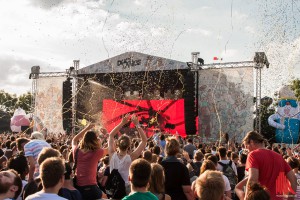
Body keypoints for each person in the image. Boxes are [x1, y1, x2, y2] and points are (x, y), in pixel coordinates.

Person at [242, 131, 297, 200]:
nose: (247, 150)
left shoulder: (253, 155)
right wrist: (290, 199)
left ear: (252, 142)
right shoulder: (279, 157)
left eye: (247, 147)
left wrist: (246, 198)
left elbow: (253, 180)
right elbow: (294, 180)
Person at [108, 114, 147, 195]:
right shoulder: (131, 157)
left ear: (117, 144)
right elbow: (144, 140)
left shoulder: (112, 154)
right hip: (126, 188)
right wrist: (137, 124)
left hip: (113, 186)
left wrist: (122, 123)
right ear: (129, 146)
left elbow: (111, 135)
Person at [72, 123, 108, 200]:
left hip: (78, 187)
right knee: (105, 197)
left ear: (83, 139)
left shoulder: (77, 151)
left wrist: (86, 128)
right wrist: (107, 135)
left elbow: (74, 140)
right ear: (94, 140)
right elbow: (112, 148)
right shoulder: (96, 152)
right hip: (91, 187)